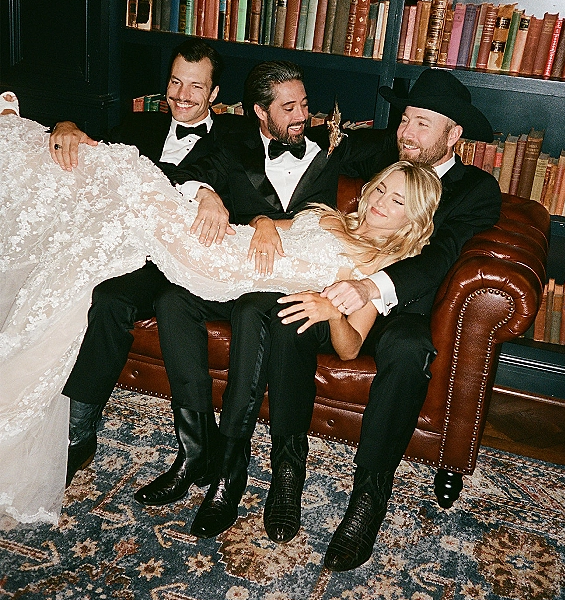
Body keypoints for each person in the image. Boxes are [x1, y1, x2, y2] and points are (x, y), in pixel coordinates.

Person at [0, 111, 436, 527]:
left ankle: (229, 468)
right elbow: (271, 224)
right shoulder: (329, 217)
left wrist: (331, 310)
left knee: (130, 186)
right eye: (381, 189)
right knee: (159, 273)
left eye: (397, 200)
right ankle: (194, 453)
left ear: (412, 218)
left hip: (232, 274)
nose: (380, 201)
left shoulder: (377, 269)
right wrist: (265, 223)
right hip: (228, 249)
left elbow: (349, 346)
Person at [136, 59, 395, 537]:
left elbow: (403, 155)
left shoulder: (333, 151)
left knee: (258, 308)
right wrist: (210, 195)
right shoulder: (234, 143)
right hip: (237, 277)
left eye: (305, 105)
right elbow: (184, 174)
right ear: (260, 112)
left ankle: (230, 475)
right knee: (172, 299)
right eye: (289, 108)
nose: (302, 115)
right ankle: (193, 451)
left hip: (282, 291)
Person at [261, 67, 502, 572]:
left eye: (423, 124)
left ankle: (368, 496)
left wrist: (371, 287)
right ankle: (287, 465)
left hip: (404, 308)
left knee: (409, 348)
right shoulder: (380, 151)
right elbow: (304, 156)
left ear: (454, 134)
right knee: (290, 314)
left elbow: (442, 256)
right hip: (343, 275)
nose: (407, 134)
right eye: (405, 119)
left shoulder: (476, 189)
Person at [48, 37, 247, 491]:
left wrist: (207, 192)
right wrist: (65, 124)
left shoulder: (234, 138)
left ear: (215, 95)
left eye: (196, 87)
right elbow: (86, 142)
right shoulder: (137, 124)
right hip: (117, 242)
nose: (181, 96)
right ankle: (60, 413)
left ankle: (78, 435)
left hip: (174, 258)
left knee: (111, 298)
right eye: (175, 82)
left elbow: (225, 178)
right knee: (60, 278)